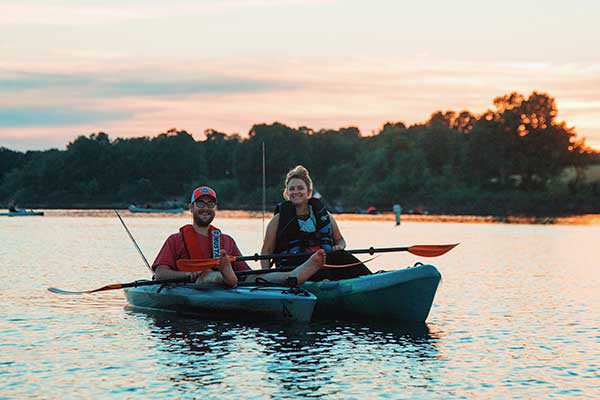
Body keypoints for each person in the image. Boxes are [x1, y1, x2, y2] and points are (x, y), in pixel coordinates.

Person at [153, 185, 326, 287]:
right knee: (208, 277)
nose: (206, 208)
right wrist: (188, 275)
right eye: (200, 203)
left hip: (228, 286)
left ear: (215, 208)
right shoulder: (175, 240)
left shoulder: (225, 240)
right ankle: (224, 276)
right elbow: (160, 274)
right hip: (195, 287)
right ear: (191, 208)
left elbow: (247, 275)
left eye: (210, 204)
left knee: (258, 275)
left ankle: (293, 275)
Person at [260, 166, 371, 280]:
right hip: (294, 269)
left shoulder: (324, 215)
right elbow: (266, 251)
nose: (296, 192)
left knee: (341, 256)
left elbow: (340, 240)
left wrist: (339, 246)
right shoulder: (278, 220)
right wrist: (266, 275)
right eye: (292, 189)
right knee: (318, 265)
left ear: (309, 191)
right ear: (287, 193)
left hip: (324, 264)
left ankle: (370, 278)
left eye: (300, 188)